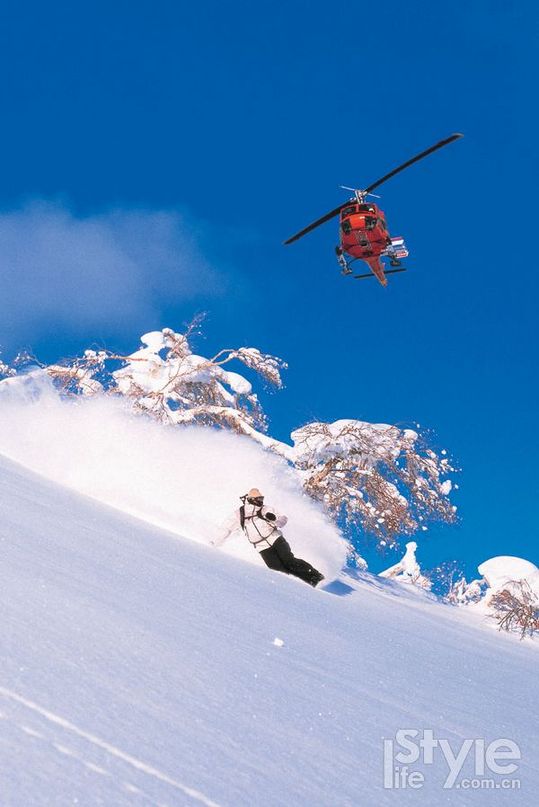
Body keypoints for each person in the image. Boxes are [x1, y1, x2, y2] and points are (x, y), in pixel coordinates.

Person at [212, 488, 325, 587]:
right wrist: (215, 542)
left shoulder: (266, 509)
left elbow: (283, 519)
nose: (261, 501)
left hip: (275, 538)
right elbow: (226, 528)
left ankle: (316, 578)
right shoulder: (239, 514)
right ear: (251, 499)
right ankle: (297, 588)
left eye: (262, 498)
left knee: (289, 561)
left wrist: (275, 520)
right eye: (259, 499)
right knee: (277, 570)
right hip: (261, 546)